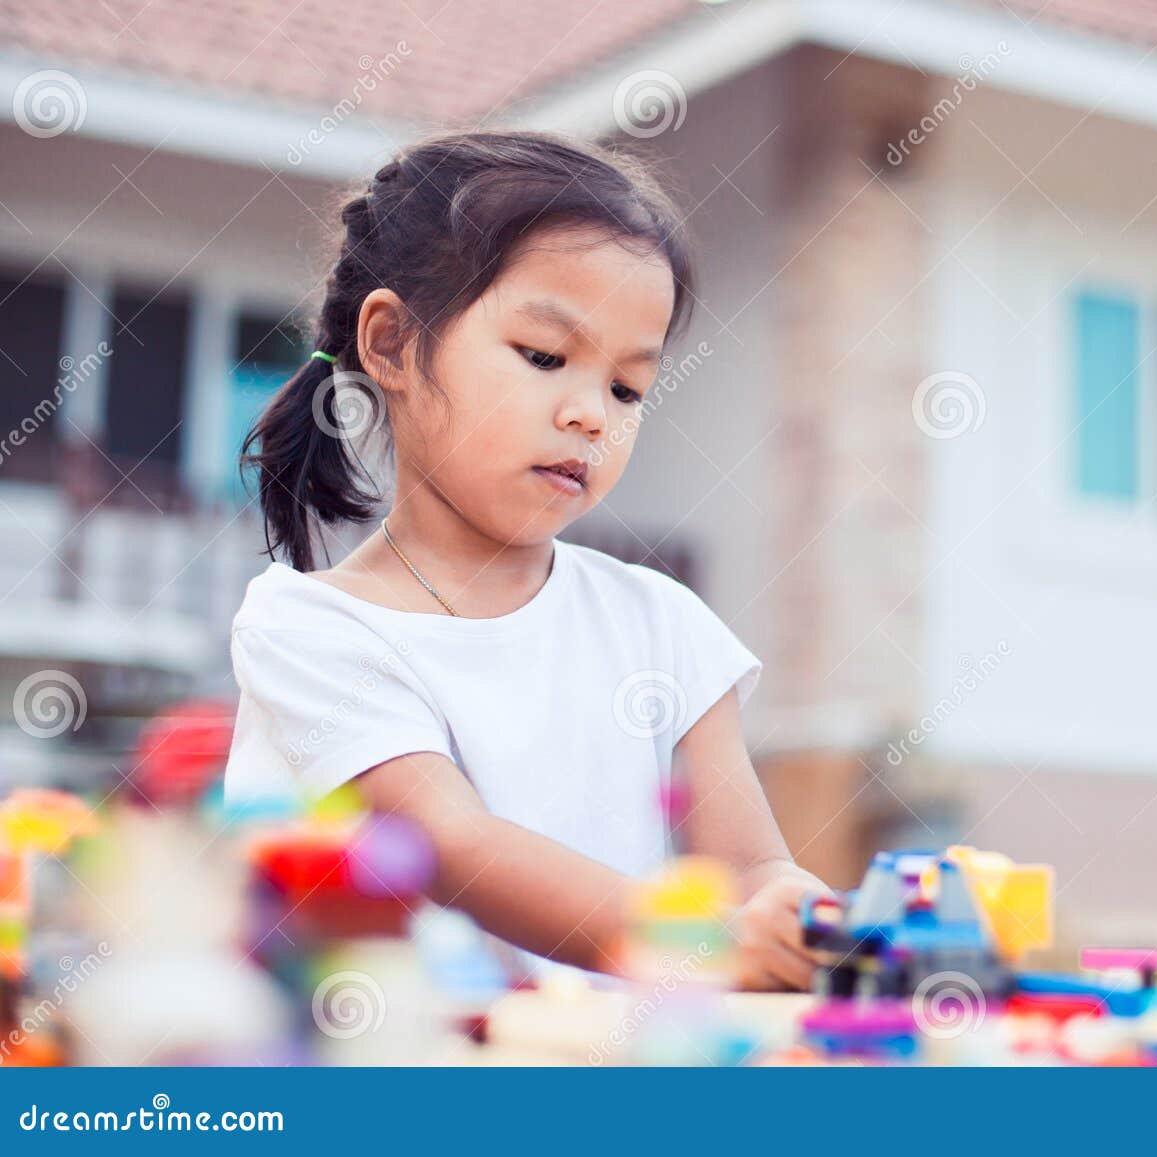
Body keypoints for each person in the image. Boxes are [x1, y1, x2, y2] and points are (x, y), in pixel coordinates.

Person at [223, 131, 826, 991]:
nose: (591, 414)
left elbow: (755, 872)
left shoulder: (663, 623)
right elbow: (454, 845)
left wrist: (805, 924)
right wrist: (711, 944)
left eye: (627, 388)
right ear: (391, 344)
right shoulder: (312, 632)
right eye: (545, 357)